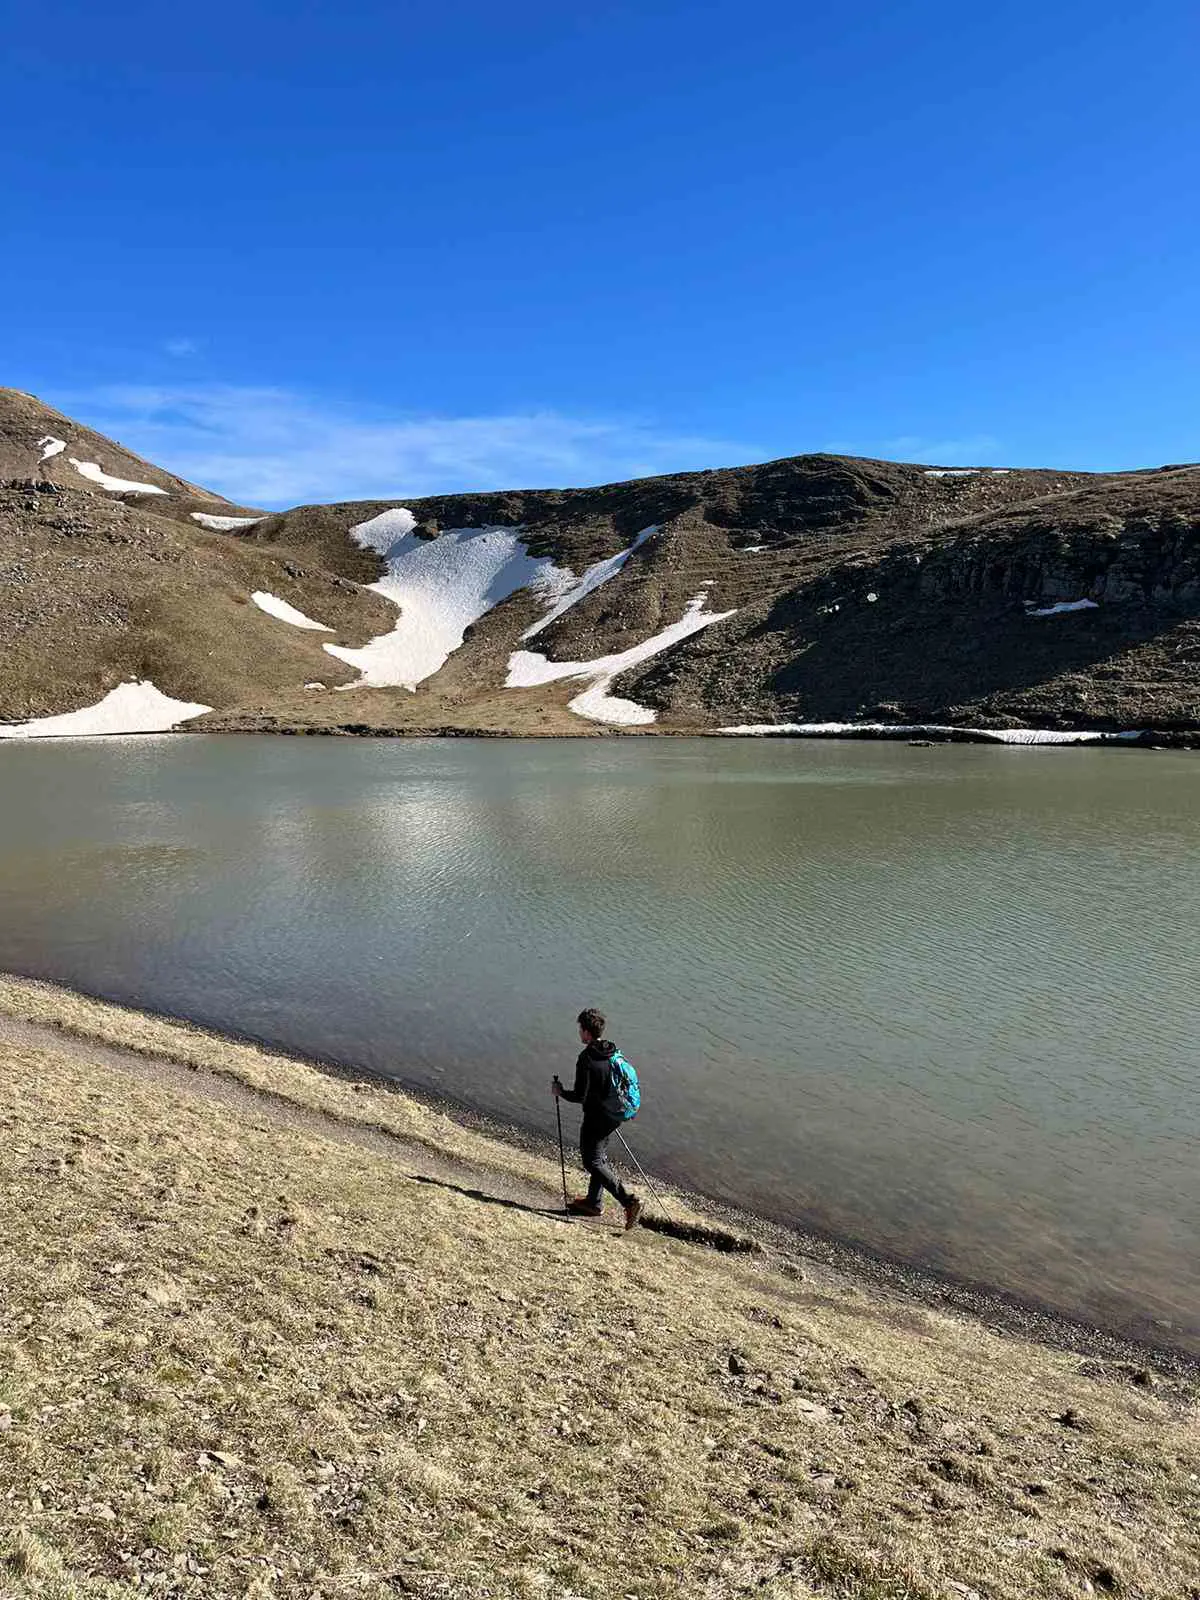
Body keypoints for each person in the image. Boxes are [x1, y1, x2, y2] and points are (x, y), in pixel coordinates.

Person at [553, 1007, 643, 1230]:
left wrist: (560, 1092)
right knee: (599, 1158)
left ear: (586, 1032)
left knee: (591, 1162)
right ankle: (593, 1203)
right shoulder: (612, 1051)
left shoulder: (586, 1058)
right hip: (615, 1114)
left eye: (580, 1029)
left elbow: (579, 1096)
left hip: (597, 1117)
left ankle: (628, 1201)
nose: (579, 1033)